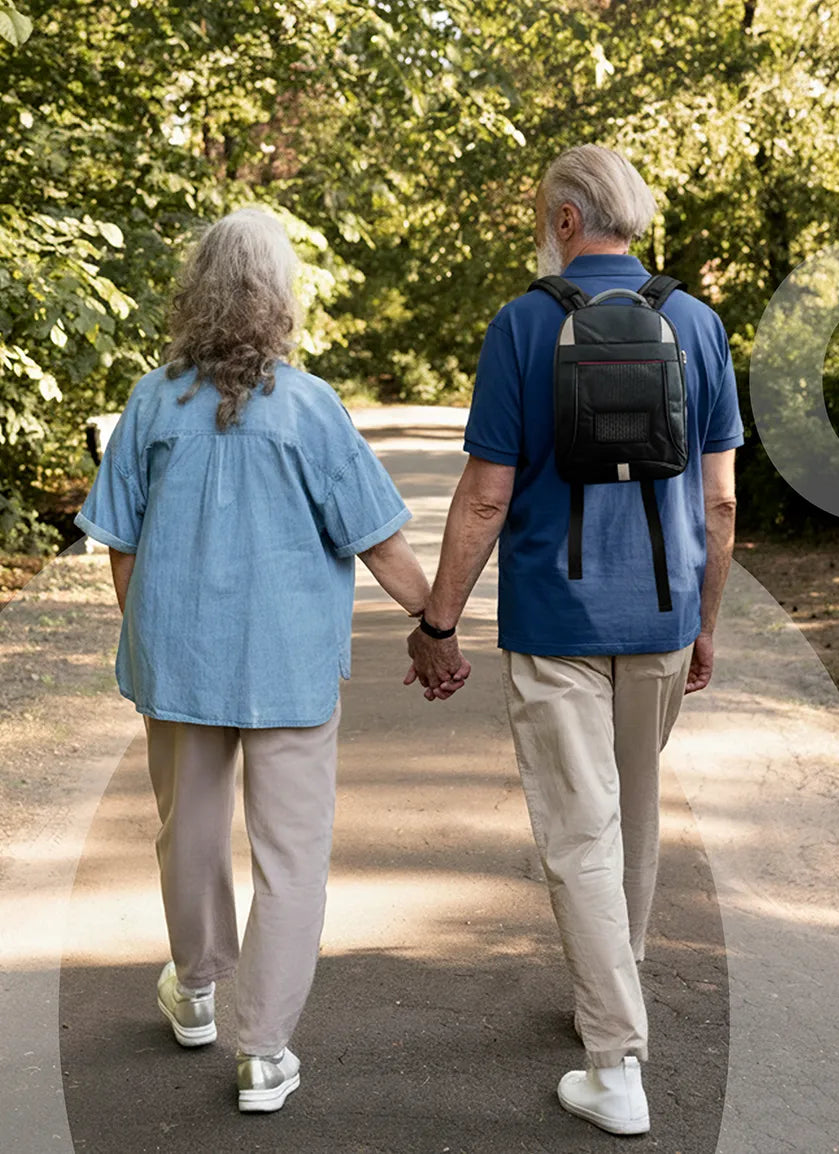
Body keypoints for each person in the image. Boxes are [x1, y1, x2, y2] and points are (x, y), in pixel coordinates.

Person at [74, 207, 442, 1114]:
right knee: (292, 856)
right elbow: (380, 542)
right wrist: (439, 623)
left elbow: (119, 542)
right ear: (279, 298)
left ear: (196, 290)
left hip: (182, 669)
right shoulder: (311, 405)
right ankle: (263, 1052)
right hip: (287, 672)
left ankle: (196, 991)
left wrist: (153, 633)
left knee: (188, 837)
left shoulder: (152, 400)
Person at [406, 144, 742, 1135]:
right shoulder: (698, 323)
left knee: (578, 831)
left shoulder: (521, 325)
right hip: (666, 619)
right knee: (631, 816)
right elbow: (720, 501)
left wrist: (439, 621)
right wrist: (707, 621)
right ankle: (614, 994)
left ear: (563, 220)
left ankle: (615, 1060)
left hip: (558, 620)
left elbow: (484, 494)